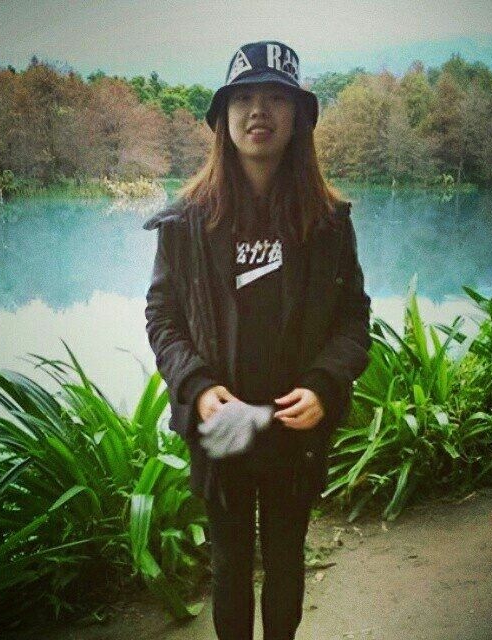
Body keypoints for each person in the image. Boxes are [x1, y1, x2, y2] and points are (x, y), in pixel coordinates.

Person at [143, 40, 372, 640]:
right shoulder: (187, 220)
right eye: (243, 98)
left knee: (287, 560)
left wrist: (325, 385)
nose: (258, 111)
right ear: (223, 117)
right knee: (229, 566)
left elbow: (353, 317)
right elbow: (163, 316)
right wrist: (197, 386)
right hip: (221, 422)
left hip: (294, 424)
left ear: (299, 118)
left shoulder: (327, 221)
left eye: (276, 98)